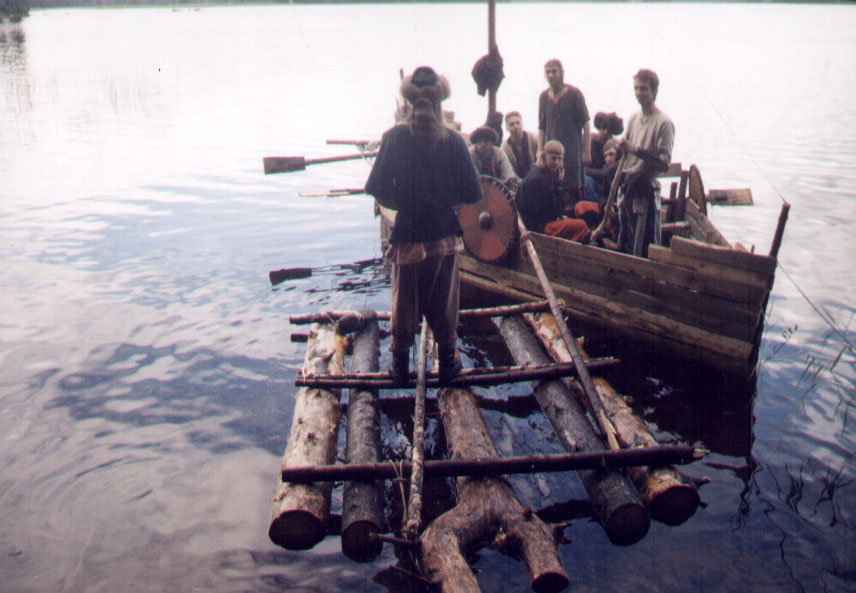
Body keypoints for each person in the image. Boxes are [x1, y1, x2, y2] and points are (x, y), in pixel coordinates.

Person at [365, 66, 483, 385]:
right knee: (444, 300)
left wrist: (402, 203)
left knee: (404, 300)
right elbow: (474, 192)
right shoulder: (455, 142)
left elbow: (375, 187)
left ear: (408, 104)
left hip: (408, 232)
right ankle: (447, 365)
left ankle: (400, 366)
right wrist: (446, 202)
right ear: (439, 104)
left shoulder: (394, 138)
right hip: (444, 234)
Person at [612, 68, 675, 258]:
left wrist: (636, 150)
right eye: (636, 88)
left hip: (646, 191)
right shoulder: (633, 118)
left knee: (646, 246)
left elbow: (664, 165)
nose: (639, 93)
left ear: (654, 91)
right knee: (625, 240)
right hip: (628, 187)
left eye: (644, 89)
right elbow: (626, 148)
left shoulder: (663, 122)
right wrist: (621, 147)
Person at [515, 140, 597, 243]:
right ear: (544, 156)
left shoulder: (546, 174)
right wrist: (559, 184)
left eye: (560, 159)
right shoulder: (538, 178)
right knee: (580, 225)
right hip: (537, 227)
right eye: (553, 158)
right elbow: (555, 211)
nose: (557, 162)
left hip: (544, 220)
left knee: (582, 212)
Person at [537, 59, 592, 205]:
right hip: (551, 154)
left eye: (554, 72)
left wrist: (587, 151)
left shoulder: (574, 94)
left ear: (561, 73)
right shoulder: (543, 97)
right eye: (547, 72)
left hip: (572, 153)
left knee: (574, 193)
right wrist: (539, 151)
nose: (550, 76)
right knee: (552, 191)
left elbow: (586, 124)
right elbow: (542, 127)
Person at [584, 111, 624, 206]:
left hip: (612, 185)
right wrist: (603, 173)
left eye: (609, 129)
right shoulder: (590, 143)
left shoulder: (617, 146)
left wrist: (612, 169)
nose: (605, 132)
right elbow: (583, 169)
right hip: (595, 184)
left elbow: (623, 163)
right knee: (587, 181)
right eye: (603, 128)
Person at [501, 111, 539, 179]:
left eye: (518, 123)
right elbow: (509, 171)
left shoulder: (533, 138)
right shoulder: (505, 148)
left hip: (536, 177)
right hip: (517, 181)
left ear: (522, 124)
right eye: (512, 125)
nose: (515, 126)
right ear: (507, 128)